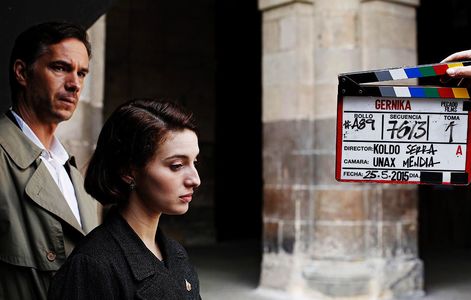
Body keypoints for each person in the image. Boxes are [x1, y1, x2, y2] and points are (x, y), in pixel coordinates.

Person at [48, 99, 202, 299]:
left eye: (194, 162)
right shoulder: (92, 266)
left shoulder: (176, 254)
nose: (195, 180)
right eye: (177, 165)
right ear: (128, 171)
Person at [0, 22, 98, 299]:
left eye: (82, 73)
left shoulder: (72, 170)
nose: (75, 84)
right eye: (60, 68)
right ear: (22, 72)